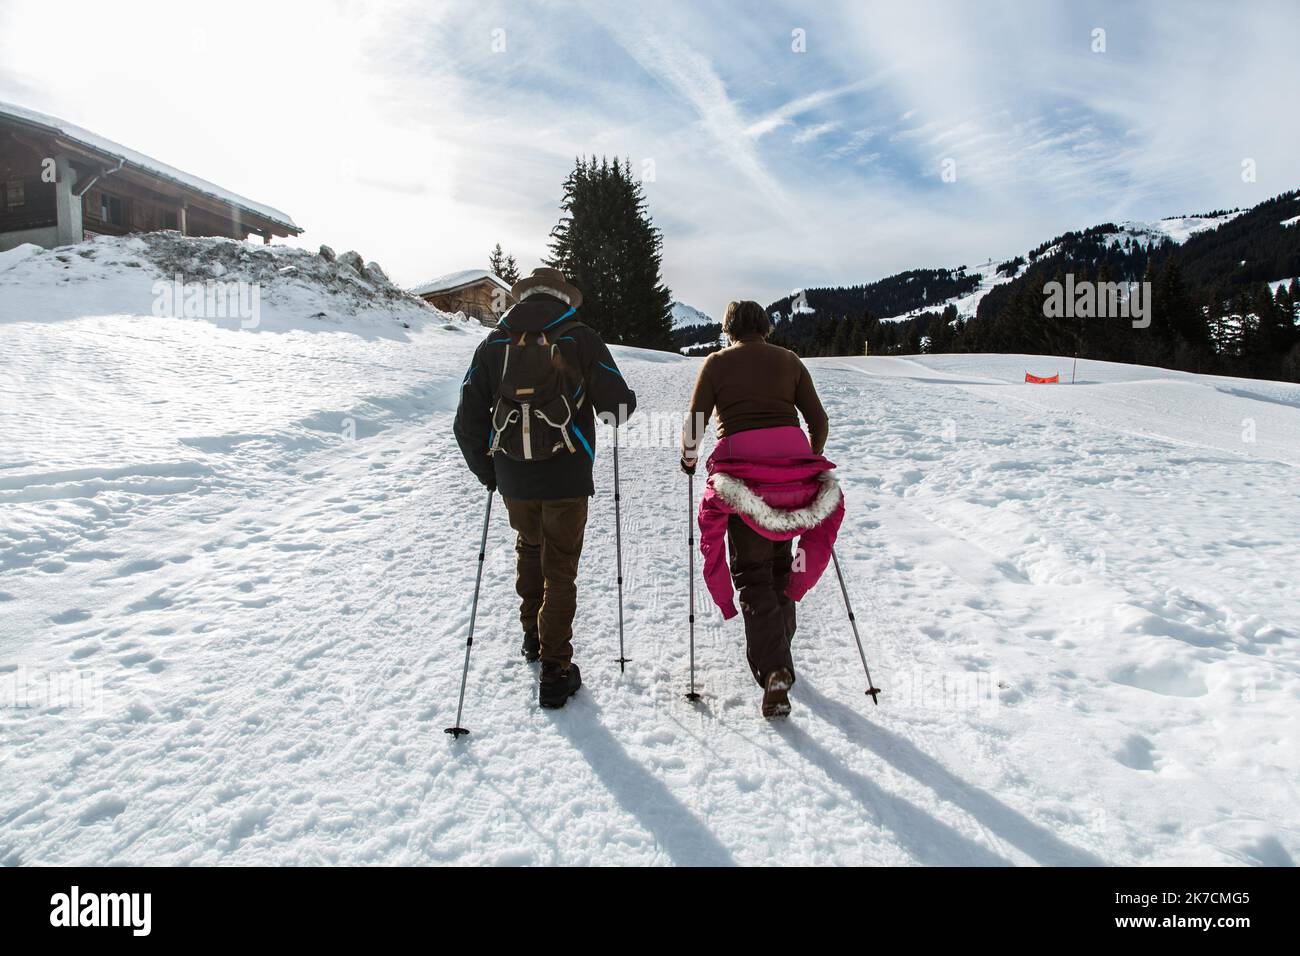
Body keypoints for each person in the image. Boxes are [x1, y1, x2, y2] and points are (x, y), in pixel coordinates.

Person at [454, 267, 636, 709]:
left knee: (529, 547)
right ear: (562, 297)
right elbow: (617, 409)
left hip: (514, 476)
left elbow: (466, 423)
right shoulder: (580, 337)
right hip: (567, 475)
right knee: (561, 568)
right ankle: (556, 669)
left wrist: (490, 473)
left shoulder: (493, 342)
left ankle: (532, 639)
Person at [681, 300, 843, 717]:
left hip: (743, 480)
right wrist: (808, 460)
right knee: (781, 567)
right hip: (791, 479)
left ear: (729, 328)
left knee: (753, 575)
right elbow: (818, 420)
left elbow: (696, 423)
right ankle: (780, 655)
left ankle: (774, 672)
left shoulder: (717, 363)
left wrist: (689, 458)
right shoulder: (789, 361)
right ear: (765, 327)